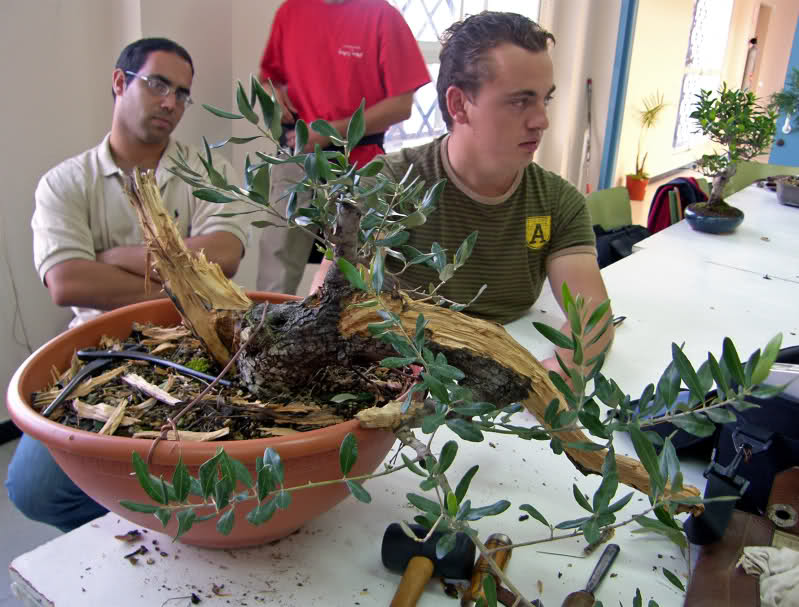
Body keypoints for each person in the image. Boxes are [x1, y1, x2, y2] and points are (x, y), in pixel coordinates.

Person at [6, 37, 251, 532]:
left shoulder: (207, 173)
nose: (171, 102)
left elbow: (224, 256)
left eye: (183, 93)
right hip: (98, 348)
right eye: (158, 84)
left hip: (195, 342)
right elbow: (68, 282)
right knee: (32, 491)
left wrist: (115, 259)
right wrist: (184, 279)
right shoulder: (65, 183)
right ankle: (134, 520)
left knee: (217, 475)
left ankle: (163, 525)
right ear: (120, 82)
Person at [311, 11, 614, 374]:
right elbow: (322, 304)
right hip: (402, 370)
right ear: (458, 105)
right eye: (520, 101)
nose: (541, 120)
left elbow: (592, 316)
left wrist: (563, 372)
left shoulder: (558, 202)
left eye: (544, 100)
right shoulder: (387, 185)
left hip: (509, 368)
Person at [255, 0, 431, 295]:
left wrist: (329, 134)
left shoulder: (383, 17)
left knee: (354, 273)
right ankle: (260, 334)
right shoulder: (291, 11)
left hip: (360, 165)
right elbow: (268, 80)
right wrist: (272, 95)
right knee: (277, 266)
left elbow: (401, 106)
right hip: (295, 158)